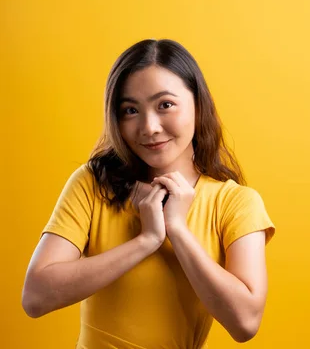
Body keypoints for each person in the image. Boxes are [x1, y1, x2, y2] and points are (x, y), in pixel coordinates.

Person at [21, 39, 276, 348]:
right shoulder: (92, 183)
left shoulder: (235, 203)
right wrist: (146, 241)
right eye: (130, 110)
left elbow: (245, 323)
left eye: (165, 105)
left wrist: (177, 231)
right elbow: (35, 298)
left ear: (198, 103)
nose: (149, 127)